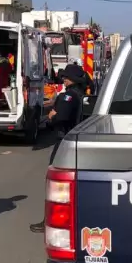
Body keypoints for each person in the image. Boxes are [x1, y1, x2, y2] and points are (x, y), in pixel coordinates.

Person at [30, 64, 85, 233]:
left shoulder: (68, 96)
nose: (63, 79)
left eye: (65, 77)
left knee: (55, 184)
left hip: (64, 142)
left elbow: (60, 117)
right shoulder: (82, 95)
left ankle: (52, 220)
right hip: (77, 142)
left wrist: (52, 117)